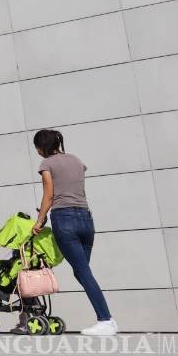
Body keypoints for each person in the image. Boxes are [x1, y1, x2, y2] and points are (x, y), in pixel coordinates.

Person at [32, 129, 117, 336]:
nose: (37, 151)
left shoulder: (46, 164)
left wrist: (40, 220)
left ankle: (106, 320)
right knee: (82, 271)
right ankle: (106, 319)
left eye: (37, 147)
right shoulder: (76, 160)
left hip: (64, 219)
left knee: (83, 272)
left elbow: (49, 195)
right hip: (86, 219)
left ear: (42, 146)